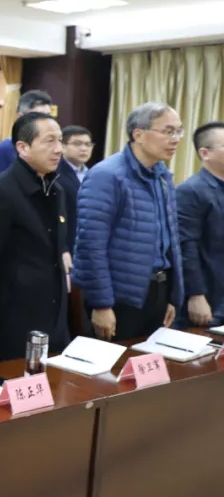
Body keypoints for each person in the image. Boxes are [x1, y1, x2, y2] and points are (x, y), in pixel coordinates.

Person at [73, 103, 183, 342]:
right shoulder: (107, 175)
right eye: (168, 131)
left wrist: (173, 296)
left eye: (178, 131)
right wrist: (102, 304)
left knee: (153, 362)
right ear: (138, 135)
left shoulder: (162, 175)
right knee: (116, 363)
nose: (175, 139)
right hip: (119, 294)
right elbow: (91, 244)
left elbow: (171, 240)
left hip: (158, 289)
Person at [0, 112, 70, 361]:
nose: (58, 149)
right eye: (49, 141)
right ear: (23, 148)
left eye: (60, 141)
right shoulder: (0, 192)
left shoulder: (56, 189)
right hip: (12, 316)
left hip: (51, 313)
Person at [177, 122, 224, 327]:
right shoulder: (191, 190)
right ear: (205, 153)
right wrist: (196, 294)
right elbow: (186, 246)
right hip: (209, 294)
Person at [0, 90, 53, 178]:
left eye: (48, 116)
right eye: (38, 116)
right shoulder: (3, 150)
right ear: (20, 117)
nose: (45, 121)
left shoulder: (53, 148)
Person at [58, 125, 94, 253]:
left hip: (88, 242)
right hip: (66, 243)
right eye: (77, 144)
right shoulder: (55, 174)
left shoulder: (94, 174)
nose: (84, 148)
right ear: (62, 147)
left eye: (88, 144)